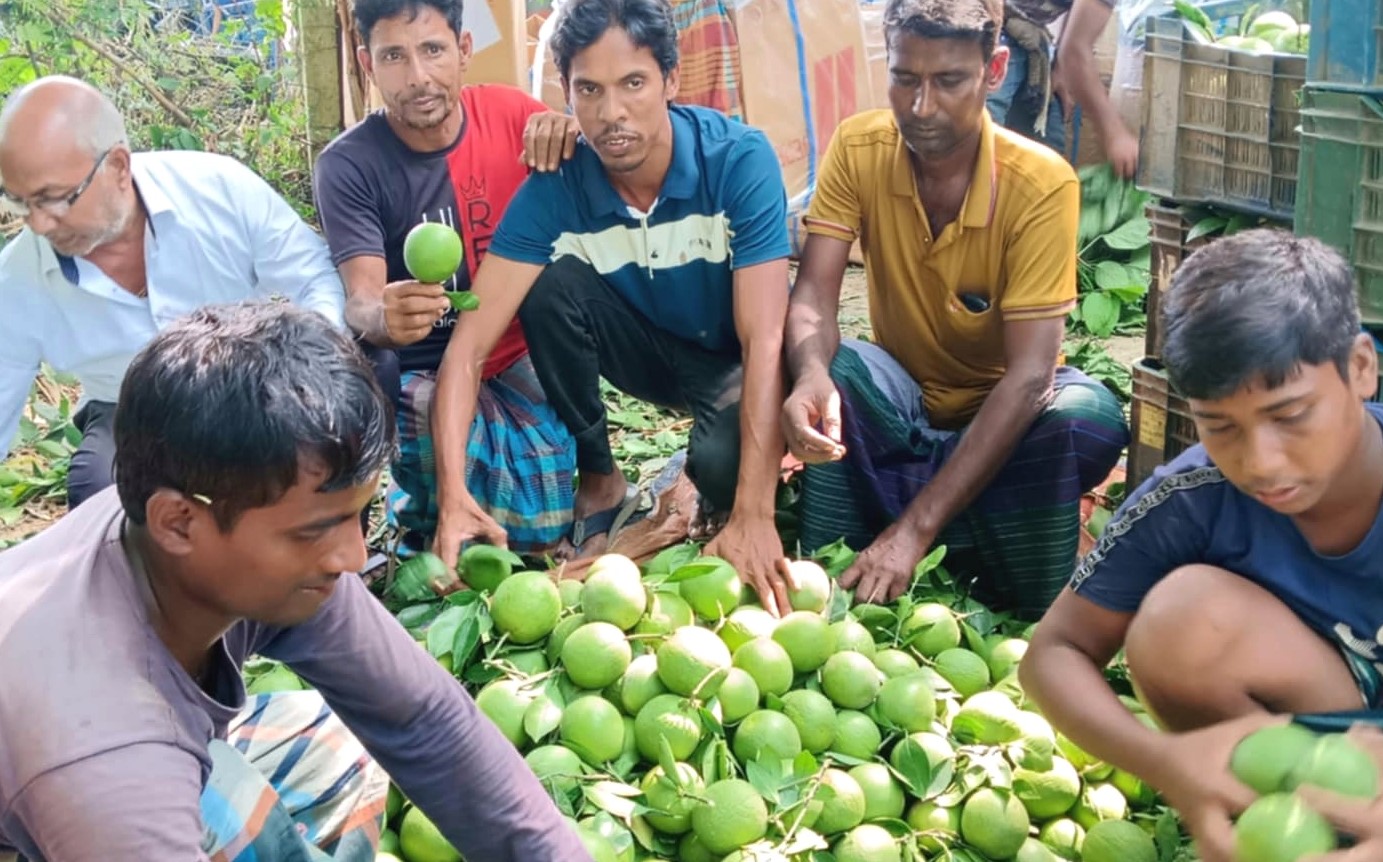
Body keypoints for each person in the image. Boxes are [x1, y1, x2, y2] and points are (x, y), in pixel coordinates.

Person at [0, 301, 589, 862]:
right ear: (178, 522)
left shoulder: (227, 540)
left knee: (341, 743)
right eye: (316, 531)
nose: (355, 557)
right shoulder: (107, 762)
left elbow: (422, 722)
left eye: (357, 517)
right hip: (78, 794)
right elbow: (113, 778)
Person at [1019, 230, 1383, 862]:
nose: (1262, 462)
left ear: (1360, 367)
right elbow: (1053, 652)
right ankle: (1297, 825)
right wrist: (1164, 758)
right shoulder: (1193, 494)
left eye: (1291, 414)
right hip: (1336, 726)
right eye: (1222, 427)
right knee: (1181, 621)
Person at [429, 0, 799, 613]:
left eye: (633, 83)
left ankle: (700, 468)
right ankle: (600, 476)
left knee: (724, 472)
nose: (612, 113)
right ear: (567, 95)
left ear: (670, 80)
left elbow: (765, 342)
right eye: (589, 90)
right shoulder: (559, 185)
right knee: (546, 284)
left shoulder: (737, 161)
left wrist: (756, 514)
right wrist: (451, 497)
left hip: (733, 361)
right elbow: (466, 349)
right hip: (646, 350)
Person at [782, 0, 1128, 618]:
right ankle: (980, 526)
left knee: (1088, 417)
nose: (921, 107)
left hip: (1005, 417)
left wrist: (914, 531)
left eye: (948, 82)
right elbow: (811, 296)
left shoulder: (1042, 184)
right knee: (835, 373)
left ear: (994, 71)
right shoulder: (858, 146)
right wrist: (809, 375)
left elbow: (1029, 378)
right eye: (904, 79)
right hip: (904, 400)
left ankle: (913, 518)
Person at [0, 75, 345, 509]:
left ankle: (326, 569)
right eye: (18, 201)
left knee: (344, 415)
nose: (38, 224)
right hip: (128, 411)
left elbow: (314, 277)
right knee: (99, 497)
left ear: (119, 167)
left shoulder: (218, 190)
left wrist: (311, 382)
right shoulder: (18, 281)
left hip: (249, 386)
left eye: (53, 198)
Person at [314, 0, 583, 556]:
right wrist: (385, 317)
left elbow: (588, 174)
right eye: (394, 56)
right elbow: (361, 300)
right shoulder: (348, 165)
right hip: (424, 371)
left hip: (517, 354)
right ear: (368, 63)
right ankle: (413, 516)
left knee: (543, 519)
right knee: (390, 382)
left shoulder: (511, 116)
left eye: (433, 50)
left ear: (463, 51)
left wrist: (567, 131)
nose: (418, 77)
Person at [1054, 0, 1140, 178]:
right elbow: (1075, 50)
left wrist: (1059, 67)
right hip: (999, 36)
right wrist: (1115, 135)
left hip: (1034, 38)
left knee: (1047, 175)